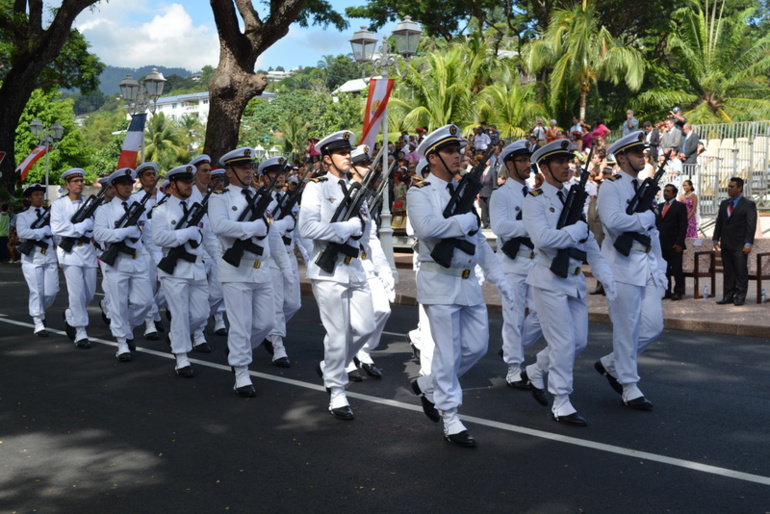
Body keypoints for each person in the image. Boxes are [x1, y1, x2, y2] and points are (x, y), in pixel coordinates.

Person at [406, 124, 515, 447]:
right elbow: (426, 228)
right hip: (438, 282)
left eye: (459, 150)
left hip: (468, 284)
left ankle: (428, 385)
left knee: (476, 346)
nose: (459, 156)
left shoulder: (461, 190)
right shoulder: (420, 191)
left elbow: (478, 241)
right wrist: (462, 222)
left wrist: (500, 279)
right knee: (449, 351)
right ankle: (450, 417)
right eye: (451, 151)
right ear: (433, 157)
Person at [520, 139, 615, 426]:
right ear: (544, 168)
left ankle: (536, 372)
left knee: (579, 342)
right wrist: (575, 229)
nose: (566, 166)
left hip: (573, 280)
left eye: (567, 160)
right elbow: (544, 240)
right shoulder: (534, 199)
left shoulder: (572, 198)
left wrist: (607, 278)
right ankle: (561, 401)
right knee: (562, 343)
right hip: (548, 279)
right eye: (559, 162)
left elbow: (590, 246)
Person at [298, 130, 376, 420]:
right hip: (328, 270)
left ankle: (331, 365)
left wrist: (359, 227)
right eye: (342, 153)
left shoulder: (356, 188)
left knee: (366, 327)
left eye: (349, 152)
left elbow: (364, 228)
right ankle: (337, 390)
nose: (348, 156)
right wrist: (345, 228)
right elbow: (307, 229)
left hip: (353, 266)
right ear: (327, 158)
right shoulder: (316, 187)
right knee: (338, 332)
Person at [208, 147, 290, 397]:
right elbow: (219, 226)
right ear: (230, 172)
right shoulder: (219, 197)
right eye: (243, 167)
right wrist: (251, 227)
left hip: (261, 270)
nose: (249, 171)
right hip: (235, 271)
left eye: (250, 167)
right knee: (241, 324)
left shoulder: (259, 196)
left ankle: (236, 350)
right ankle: (241, 372)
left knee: (266, 323)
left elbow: (273, 234)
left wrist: (285, 266)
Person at [595, 131, 667, 411]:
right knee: (626, 329)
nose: (642, 156)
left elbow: (652, 233)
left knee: (653, 326)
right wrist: (645, 217)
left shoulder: (641, 186)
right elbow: (613, 222)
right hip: (622, 267)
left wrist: (659, 266)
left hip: (646, 264)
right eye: (637, 153)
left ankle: (610, 364)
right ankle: (629, 385)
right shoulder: (611, 186)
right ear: (622, 157)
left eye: (643, 152)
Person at [489, 139, 543, 389]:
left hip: (535, 262)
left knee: (541, 314)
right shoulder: (501, 194)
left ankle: (512, 348)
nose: (527, 164)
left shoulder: (535, 193)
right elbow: (500, 227)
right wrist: (530, 226)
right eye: (522, 161)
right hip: (511, 262)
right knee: (513, 316)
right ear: (510, 164)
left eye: (528, 160)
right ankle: (514, 369)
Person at [152, 164, 213, 377]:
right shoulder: (161, 210)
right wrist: (185, 233)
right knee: (179, 314)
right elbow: (159, 238)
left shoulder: (199, 207)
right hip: (174, 270)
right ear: (172, 185)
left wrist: (217, 259)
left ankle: (178, 335)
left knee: (201, 314)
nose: (189, 185)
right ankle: (181, 356)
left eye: (190, 181)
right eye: (185, 182)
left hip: (197, 267)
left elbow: (210, 237)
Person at [343, 145, 395, 380]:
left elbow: (371, 238)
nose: (368, 168)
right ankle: (345, 359)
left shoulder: (364, 198)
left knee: (382, 309)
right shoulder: (343, 194)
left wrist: (385, 272)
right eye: (364, 164)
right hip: (345, 263)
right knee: (350, 317)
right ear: (351, 167)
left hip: (365, 263)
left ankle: (362, 350)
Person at [94, 168, 155, 361]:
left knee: (144, 302)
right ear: (114, 187)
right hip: (117, 262)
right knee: (118, 303)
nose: (128, 187)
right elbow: (100, 235)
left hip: (138, 260)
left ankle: (127, 328)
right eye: (123, 184)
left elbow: (147, 234)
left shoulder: (139, 206)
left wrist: (156, 256)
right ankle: (122, 343)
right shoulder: (105, 210)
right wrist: (123, 232)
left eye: (130, 184)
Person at [50, 168, 99, 349]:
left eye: (81, 181)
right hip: (69, 254)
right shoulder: (59, 204)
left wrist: (90, 227)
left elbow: (97, 225)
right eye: (75, 181)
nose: (79, 184)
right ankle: (81, 331)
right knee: (77, 293)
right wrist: (80, 227)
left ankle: (71, 313)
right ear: (67, 185)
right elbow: (56, 228)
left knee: (89, 293)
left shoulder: (90, 203)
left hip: (87, 251)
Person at [261, 156, 301, 368]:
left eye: (283, 172)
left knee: (293, 303)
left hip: (290, 256)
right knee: (276, 304)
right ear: (265, 177)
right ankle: (278, 347)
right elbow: (267, 229)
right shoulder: (261, 200)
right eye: (276, 173)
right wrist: (283, 223)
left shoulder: (290, 200)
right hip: (272, 258)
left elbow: (299, 231)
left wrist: (309, 256)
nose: (281, 176)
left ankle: (269, 330)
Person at [190, 154, 228, 343]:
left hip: (214, 251)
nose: (208, 174)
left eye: (209, 170)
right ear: (195, 174)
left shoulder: (214, 197)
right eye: (204, 171)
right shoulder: (191, 197)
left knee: (218, 292)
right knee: (197, 297)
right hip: (197, 254)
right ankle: (197, 334)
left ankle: (194, 325)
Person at [16, 183, 59, 336]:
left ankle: (39, 311)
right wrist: (41, 231)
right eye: (36, 195)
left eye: (41, 194)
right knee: (37, 291)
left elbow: (56, 235)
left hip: (49, 256)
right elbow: (22, 233)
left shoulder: (50, 214)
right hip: (32, 258)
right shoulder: (23, 216)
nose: (40, 197)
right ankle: (38, 322)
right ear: (29, 197)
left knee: (52, 291)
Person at [130, 163, 164, 342]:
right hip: (146, 248)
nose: (152, 177)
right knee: (149, 286)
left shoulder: (165, 196)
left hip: (164, 246)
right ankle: (150, 323)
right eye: (148, 175)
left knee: (167, 286)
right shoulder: (135, 199)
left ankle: (155, 310)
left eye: (153, 174)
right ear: (141, 179)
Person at [713, 177, 757, 306]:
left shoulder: (748, 204)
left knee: (740, 272)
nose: (729, 189)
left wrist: (748, 243)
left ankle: (740, 296)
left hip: (739, 244)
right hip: (726, 243)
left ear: (739, 188)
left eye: (732, 186)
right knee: (728, 271)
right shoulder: (724, 203)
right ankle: (728, 295)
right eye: (728, 186)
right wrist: (716, 238)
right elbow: (719, 222)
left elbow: (751, 225)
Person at [656, 184, 688, 300]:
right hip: (661, 243)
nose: (666, 193)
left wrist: (679, 242)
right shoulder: (659, 207)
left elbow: (683, 225)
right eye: (665, 191)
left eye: (669, 191)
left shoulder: (679, 206)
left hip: (674, 243)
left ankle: (679, 291)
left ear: (674, 193)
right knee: (664, 269)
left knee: (676, 268)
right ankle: (666, 290)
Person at [478, 143, 500, 229]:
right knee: (483, 209)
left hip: (490, 192)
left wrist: (494, 193)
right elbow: (480, 181)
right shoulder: (482, 170)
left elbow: (495, 183)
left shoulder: (492, 170)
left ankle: (491, 223)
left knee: (490, 208)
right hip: (482, 192)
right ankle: (485, 223)